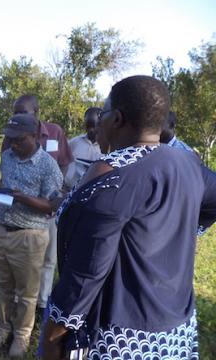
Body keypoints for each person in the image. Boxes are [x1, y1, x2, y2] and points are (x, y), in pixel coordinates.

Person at [41, 75, 216, 360]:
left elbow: (84, 277)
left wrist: (52, 338)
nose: (99, 120)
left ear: (117, 119)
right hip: (176, 329)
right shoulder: (186, 163)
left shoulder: (111, 180)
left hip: (121, 339)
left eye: (104, 112)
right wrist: (181, 229)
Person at [0, 114, 62, 358]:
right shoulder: (7, 157)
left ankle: (21, 336)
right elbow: (4, 189)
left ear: (35, 136)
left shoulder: (48, 165)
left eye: (19, 140)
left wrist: (22, 197)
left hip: (29, 237)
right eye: (10, 140)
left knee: (27, 294)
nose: (13, 145)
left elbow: (53, 205)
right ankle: (2, 329)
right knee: (2, 287)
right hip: (0, 231)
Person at [2, 95, 71, 319]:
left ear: (36, 112)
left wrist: (54, 188)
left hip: (48, 203)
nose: (18, 117)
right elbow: (8, 162)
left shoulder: (55, 132)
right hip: (21, 214)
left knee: (48, 258)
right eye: (15, 113)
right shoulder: (14, 135)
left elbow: (65, 161)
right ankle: (18, 302)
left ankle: (42, 303)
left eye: (23, 113)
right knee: (23, 264)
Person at [65, 107, 103, 188]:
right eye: (88, 126)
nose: (90, 130)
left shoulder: (107, 147)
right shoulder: (74, 142)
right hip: (71, 190)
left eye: (93, 126)